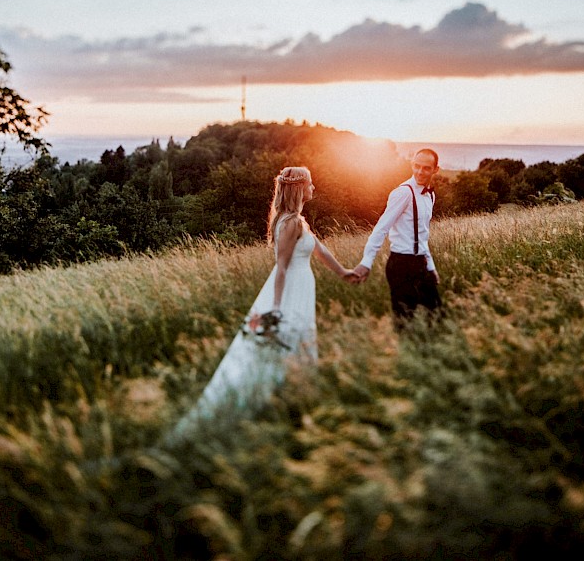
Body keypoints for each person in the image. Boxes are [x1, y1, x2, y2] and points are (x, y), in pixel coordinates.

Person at [169, 166, 356, 440]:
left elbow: (319, 249)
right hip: (288, 290)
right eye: (311, 184)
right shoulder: (290, 222)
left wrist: (343, 272)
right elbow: (281, 267)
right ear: (299, 188)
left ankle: (295, 404)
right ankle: (273, 407)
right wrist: (276, 309)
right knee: (282, 345)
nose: (314, 188)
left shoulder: (298, 220)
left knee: (294, 344)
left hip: (301, 288)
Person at [353, 148, 442, 321]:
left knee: (437, 317)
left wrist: (431, 268)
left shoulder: (430, 196)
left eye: (426, 168)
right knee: (404, 322)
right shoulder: (403, 193)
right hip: (401, 265)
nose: (420, 172)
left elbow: (422, 236)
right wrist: (366, 261)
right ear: (412, 164)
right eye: (417, 166)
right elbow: (381, 228)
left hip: (421, 264)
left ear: (435, 169)